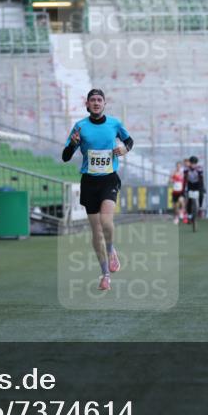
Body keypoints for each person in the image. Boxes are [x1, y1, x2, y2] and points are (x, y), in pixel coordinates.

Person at [62, 88, 133, 291]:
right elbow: (65, 156)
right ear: (87, 104)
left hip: (109, 179)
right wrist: (73, 144)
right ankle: (105, 274)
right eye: (92, 100)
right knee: (96, 231)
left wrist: (125, 149)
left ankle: (111, 251)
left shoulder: (114, 124)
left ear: (104, 104)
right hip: (89, 182)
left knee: (106, 222)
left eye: (99, 100)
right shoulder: (80, 127)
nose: (95, 103)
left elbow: (129, 140)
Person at [182, 156, 204, 223]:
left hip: (197, 184)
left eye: (195, 163)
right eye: (192, 163)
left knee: (201, 195)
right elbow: (185, 180)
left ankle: (200, 208)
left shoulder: (199, 169)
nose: (193, 165)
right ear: (190, 163)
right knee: (189, 200)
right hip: (190, 184)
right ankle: (189, 215)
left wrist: (202, 188)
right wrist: (183, 189)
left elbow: (201, 179)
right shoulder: (186, 169)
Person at [170, 161, 185, 225]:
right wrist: (172, 180)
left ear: (181, 166)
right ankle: (176, 218)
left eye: (180, 166)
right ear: (176, 166)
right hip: (175, 191)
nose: (178, 167)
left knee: (181, 201)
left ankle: (182, 212)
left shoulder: (183, 173)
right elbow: (170, 180)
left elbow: (185, 180)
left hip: (181, 191)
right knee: (175, 206)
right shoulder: (173, 173)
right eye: (177, 166)